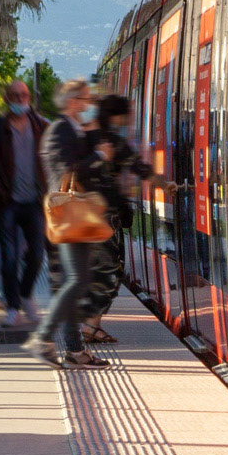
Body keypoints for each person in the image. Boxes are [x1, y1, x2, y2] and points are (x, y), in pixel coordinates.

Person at [23, 79, 112, 369]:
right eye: (86, 99)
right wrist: (98, 155)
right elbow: (67, 170)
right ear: (73, 102)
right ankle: (43, 338)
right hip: (69, 213)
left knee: (75, 281)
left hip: (78, 214)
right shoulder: (60, 131)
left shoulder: (74, 128)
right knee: (76, 281)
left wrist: (94, 136)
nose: (90, 105)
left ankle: (74, 351)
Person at [81, 95, 172, 343]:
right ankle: (91, 325)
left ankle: (89, 324)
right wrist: (165, 185)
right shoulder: (111, 142)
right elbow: (140, 168)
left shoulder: (84, 137)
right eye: (125, 116)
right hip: (105, 219)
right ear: (116, 116)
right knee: (111, 270)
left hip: (82, 217)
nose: (127, 121)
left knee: (92, 270)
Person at [0, 80, 49, 327]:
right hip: (7, 203)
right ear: (7, 98)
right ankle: (13, 307)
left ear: (29, 97)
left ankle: (25, 294)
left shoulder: (41, 126)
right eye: (15, 95)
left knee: (37, 254)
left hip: (35, 202)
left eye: (24, 95)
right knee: (9, 256)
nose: (20, 99)